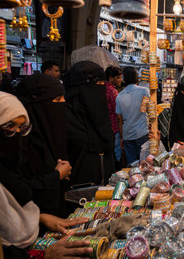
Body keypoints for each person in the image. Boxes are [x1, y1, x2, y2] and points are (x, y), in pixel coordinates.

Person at [0, 91, 91, 259]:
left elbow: (19, 198)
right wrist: (41, 256)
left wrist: (39, 218)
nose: (17, 134)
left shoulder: (10, 165)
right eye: (9, 127)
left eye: (22, 127)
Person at [15, 74, 71, 217]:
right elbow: (18, 189)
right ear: (38, 104)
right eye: (57, 99)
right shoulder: (18, 143)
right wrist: (56, 175)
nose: (63, 103)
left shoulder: (51, 133)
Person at [64, 61, 114, 186]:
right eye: (97, 84)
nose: (100, 89)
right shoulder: (66, 120)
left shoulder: (101, 117)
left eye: (102, 84)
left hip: (106, 195)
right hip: (78, 193)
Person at [116, 67, 150, 164]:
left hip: (128, 134)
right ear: (137, 78)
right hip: (142, 132)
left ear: (124, 79)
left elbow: (119, 119)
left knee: (132, 164)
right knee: (145, 164)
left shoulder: (119, 96)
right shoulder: (144, 91)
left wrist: (122, 137)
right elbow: (146, 110)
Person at [105, 66, 123, 162]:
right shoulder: (113, 91)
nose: (121, 80)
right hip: (114, 127)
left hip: (106, 127)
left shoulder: (101, 88)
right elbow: (118, 114)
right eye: (118, 77)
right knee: (117, 153)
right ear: (111, 78)